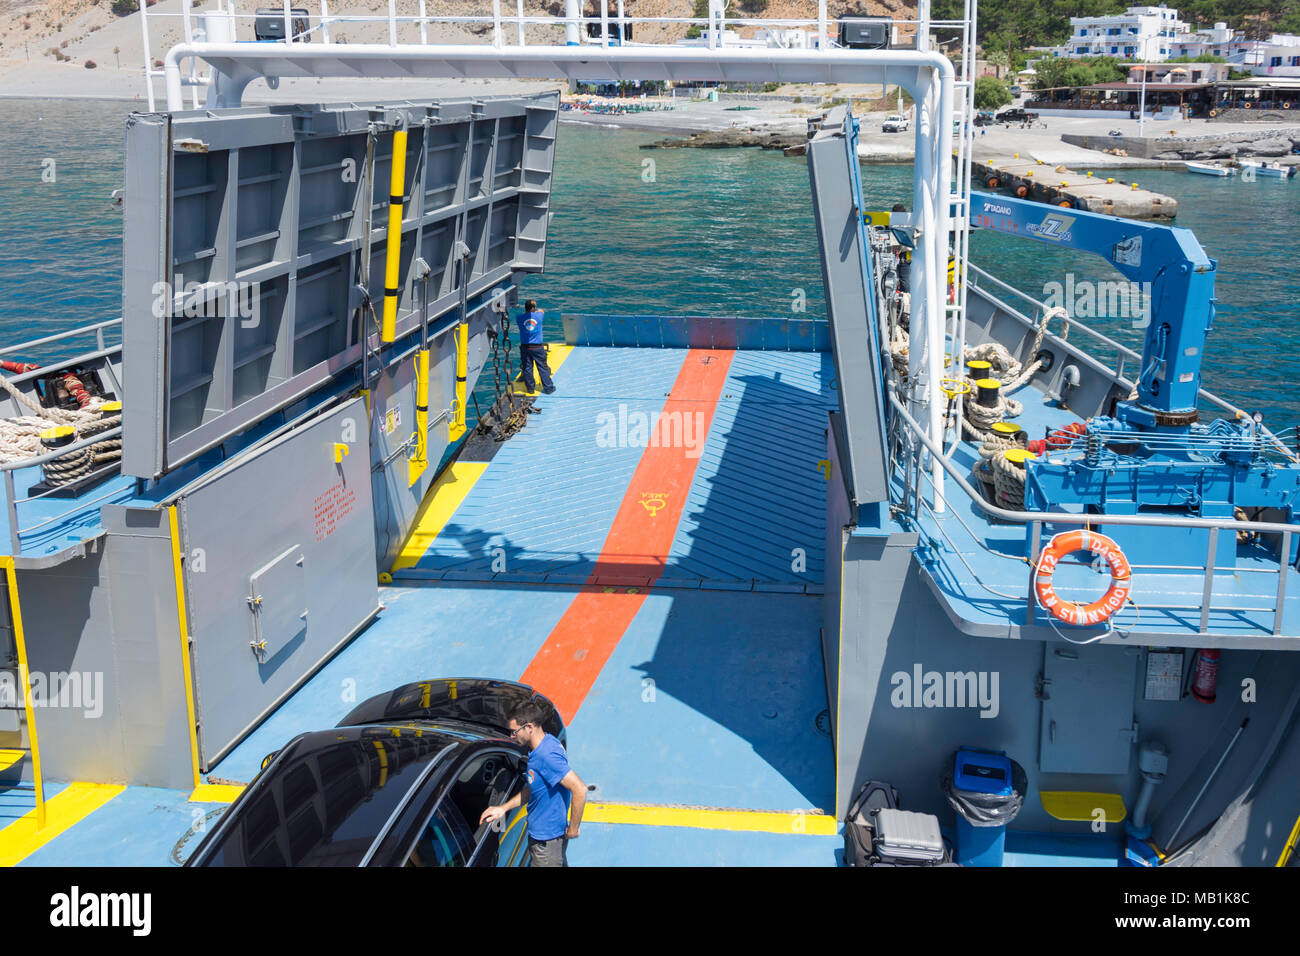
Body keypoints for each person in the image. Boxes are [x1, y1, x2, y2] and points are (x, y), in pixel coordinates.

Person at [479, 701, 586, 866]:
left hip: (547, 843)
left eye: (514, 732)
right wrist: (503, 808)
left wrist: (573, 829)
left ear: (529, 727)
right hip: (546, 840)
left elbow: (579, 789)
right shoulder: (547, 743)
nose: (511, 736)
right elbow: (534, 789)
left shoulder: (546, 756)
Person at [516, 299, 555, 395]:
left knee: (527, 368)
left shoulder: (519, 318)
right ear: (533, 307)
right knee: (542, 367)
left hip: (525, 347)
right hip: (537, 347)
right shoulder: (538, 316)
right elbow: (541, 310)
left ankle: (530, 388)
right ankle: (548, 388)